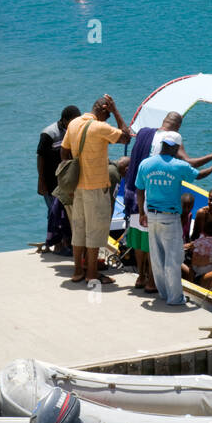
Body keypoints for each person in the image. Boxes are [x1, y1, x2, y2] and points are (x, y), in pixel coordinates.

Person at [136, 132, 212, 307]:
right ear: (175, 148)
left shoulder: (145, 163)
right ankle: (175, 298)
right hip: (169, 217)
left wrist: (141, 213)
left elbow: (139, 189)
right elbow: (198, 175)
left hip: (151, 215)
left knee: (157, 256)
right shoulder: (178, 166)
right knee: (173, 258)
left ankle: (163, 293)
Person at [60, 95, 130, 286]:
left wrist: (73, 176)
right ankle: (91, 274)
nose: (107, 119)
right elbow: (126, 136)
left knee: (79, 230)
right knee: (94, 231)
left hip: (77, 188)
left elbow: (64, 152)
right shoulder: (100, 127)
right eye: (108, 115)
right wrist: (116, 112)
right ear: (104, 111)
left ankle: (77, 272)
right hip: (96, 187)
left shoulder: (74, 123)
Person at [37, 105, 81, 220]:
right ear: (64, 120)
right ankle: (53, 236)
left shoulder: (75, 131)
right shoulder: (49, 133)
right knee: (53, 212)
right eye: (73, 122)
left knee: (68, 214)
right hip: (51, 181)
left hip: (67, 181)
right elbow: (41, 157)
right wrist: (41, 181)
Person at [185, 187, 212, 287]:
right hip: (199, 245)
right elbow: (195, 235)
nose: (211, 203)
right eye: (210, 199)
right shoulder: (202, 213)